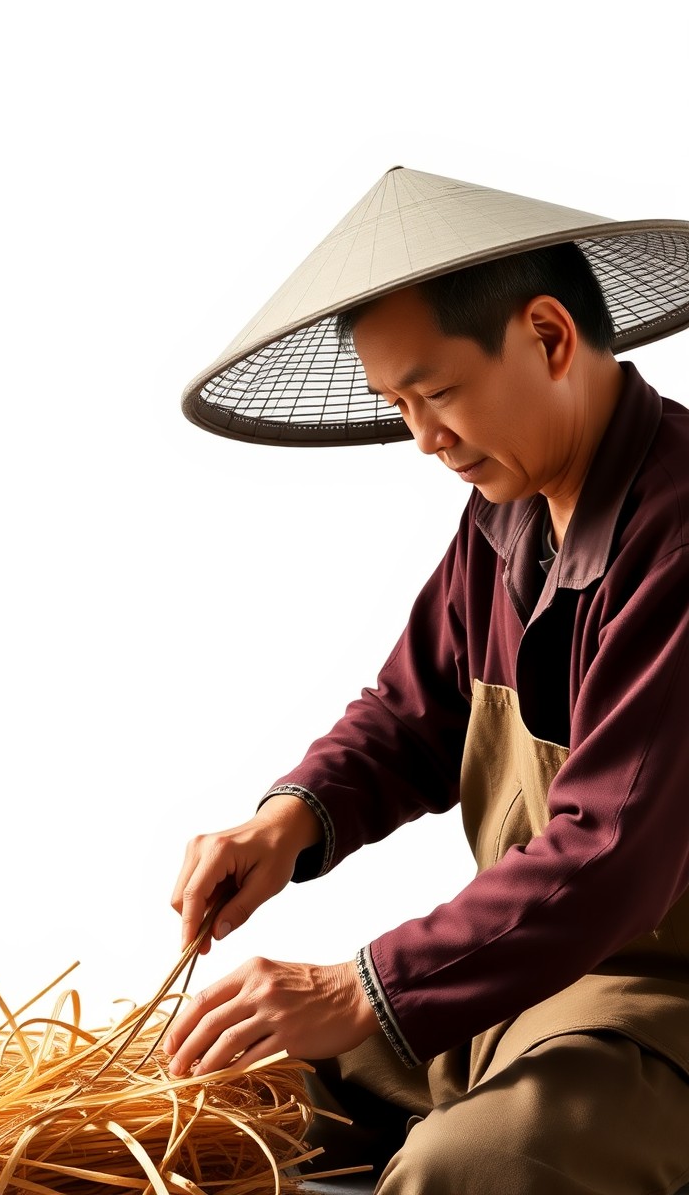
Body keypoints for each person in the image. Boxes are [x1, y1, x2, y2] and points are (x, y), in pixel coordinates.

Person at [170, 168, 689, 1194]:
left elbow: (612, 851)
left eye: (438, 391)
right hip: (534, 976)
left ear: (548, 337)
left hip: (664, 1002)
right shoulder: (507, 514)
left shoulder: (678, 529)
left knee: (467, 1169)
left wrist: (362, 985)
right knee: (225, 1088)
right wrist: (288, 822)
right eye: (398, 404)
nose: (422, 437)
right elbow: (412, 715)